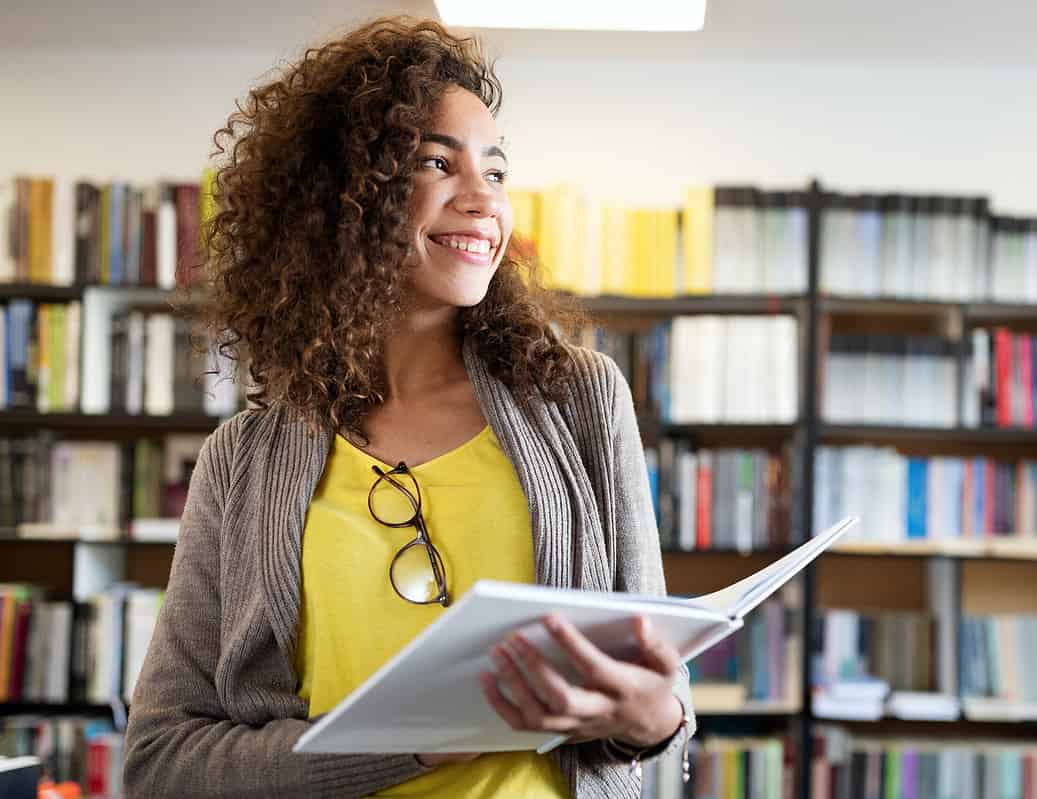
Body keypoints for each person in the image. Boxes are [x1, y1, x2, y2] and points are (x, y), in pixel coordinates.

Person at [121, 15, 695, 799]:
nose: (483, 202)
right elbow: (162, 760)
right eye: (437, 162)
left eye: (495, 172)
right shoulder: (243, 459)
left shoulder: (581, 401)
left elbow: (662, 704)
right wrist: (410, 743)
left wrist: (655, 716)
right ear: (345, 195)